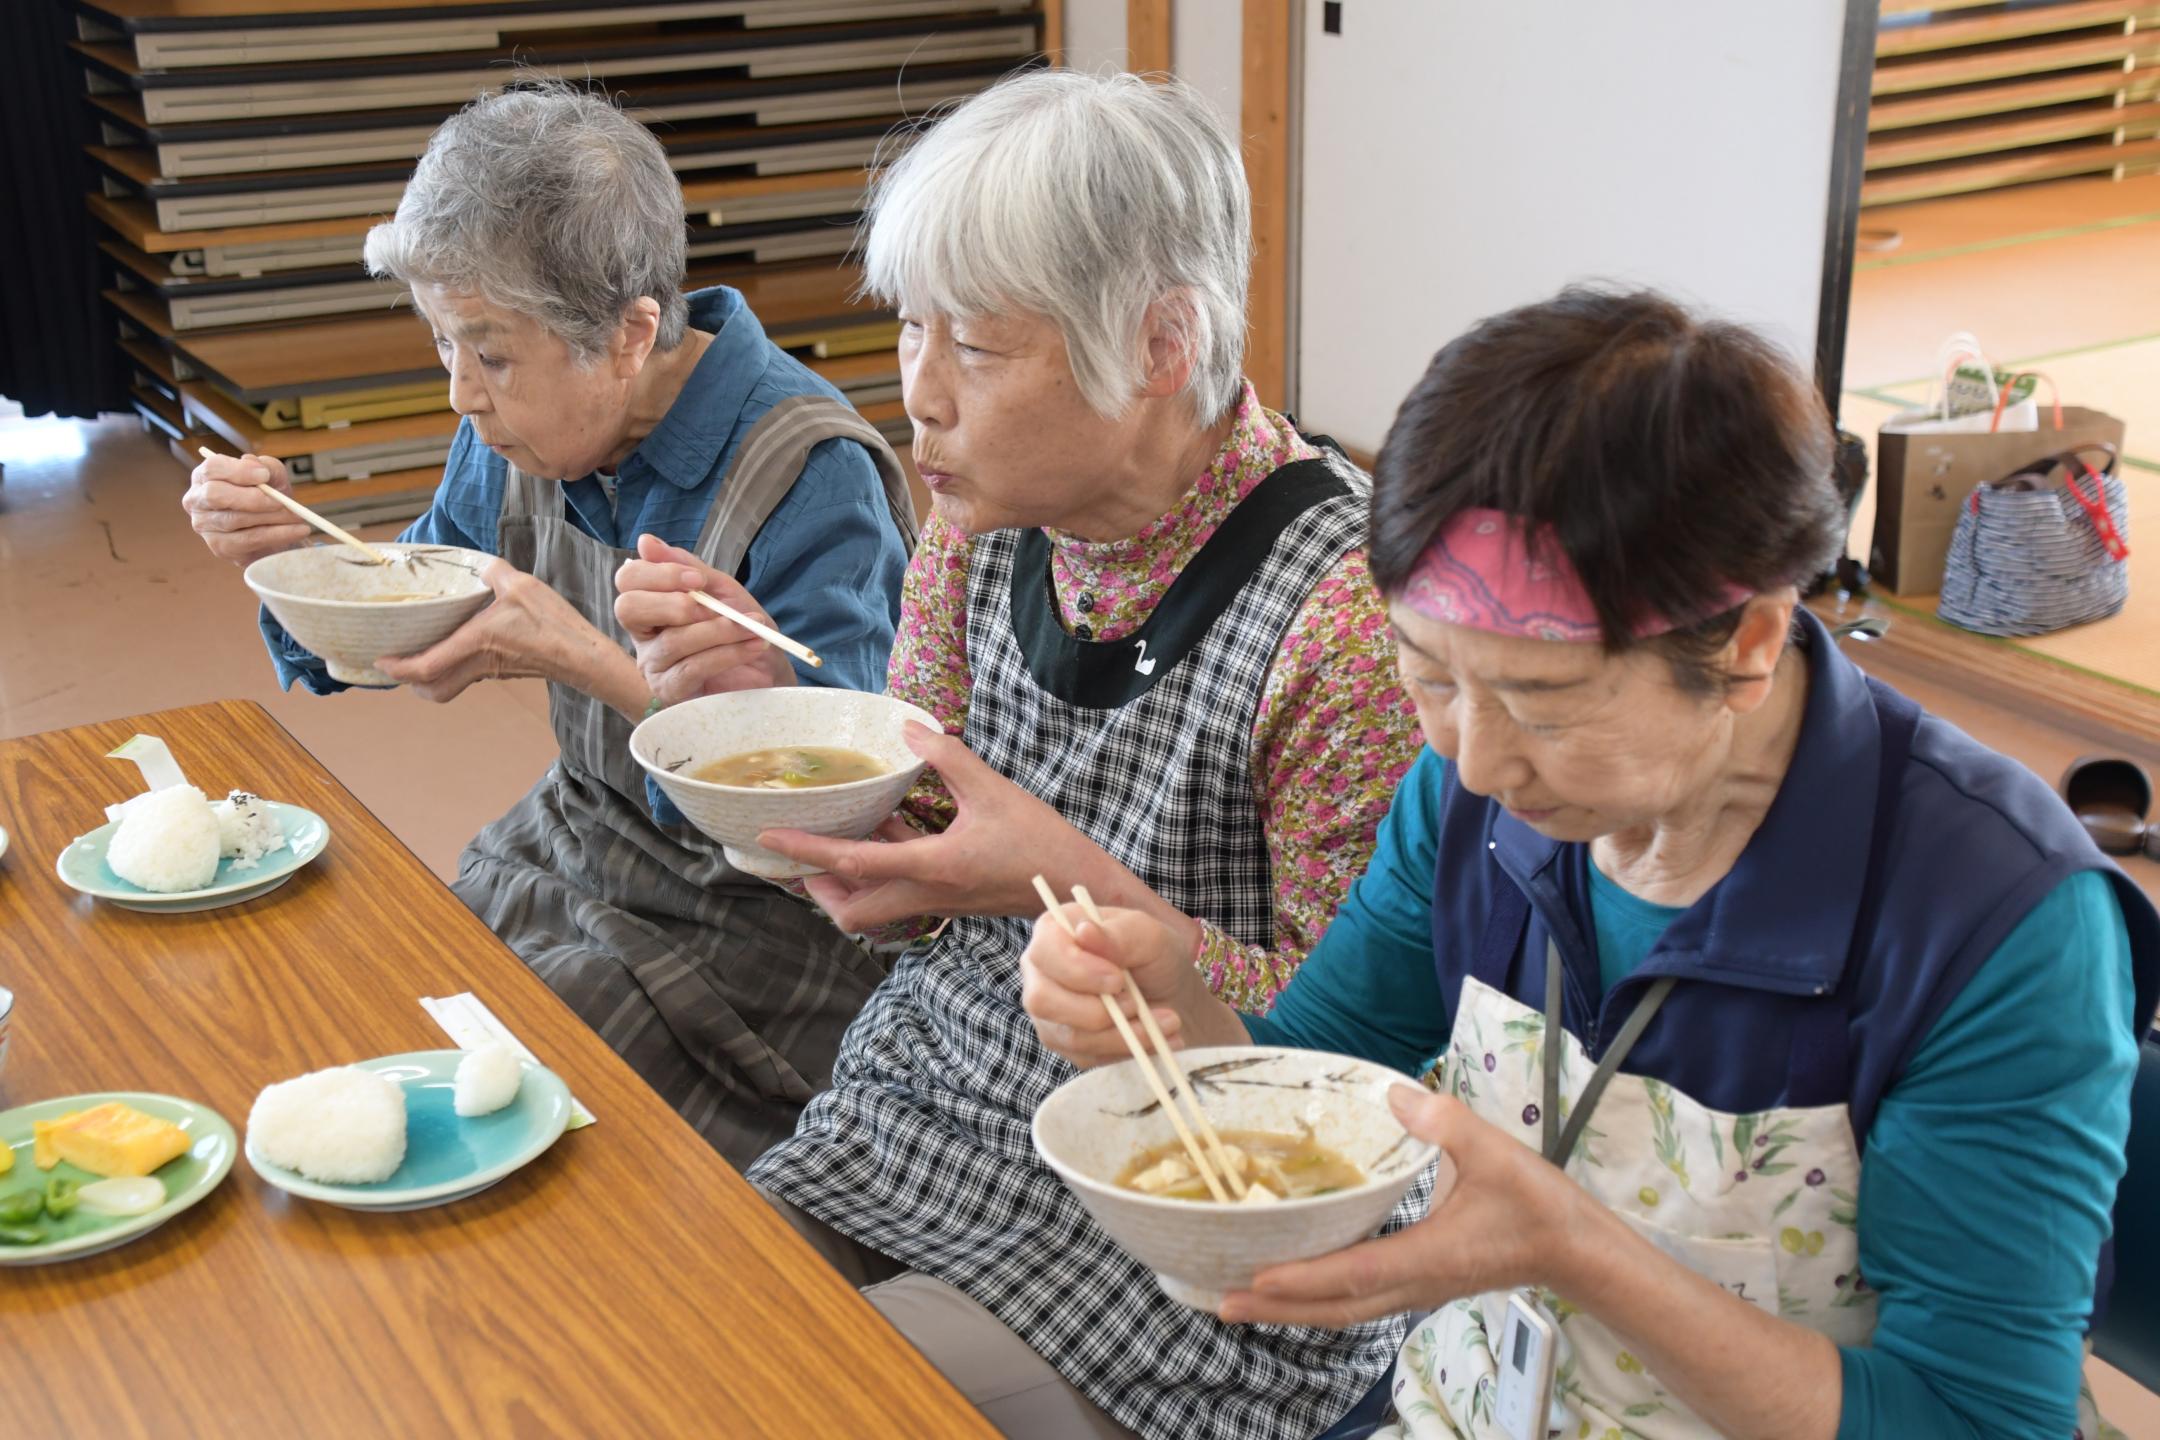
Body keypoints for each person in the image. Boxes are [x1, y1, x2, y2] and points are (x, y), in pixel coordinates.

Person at [1021, 287, 2160, 1440]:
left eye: (1545, 703)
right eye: (1427, 675)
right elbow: (1326, 1074)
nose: (1471, 762)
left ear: (1749, 645)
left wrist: (1574, 1249)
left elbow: (1977, 1420)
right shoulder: (1472, 794)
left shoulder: (1997, 920)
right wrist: (1182, 1014)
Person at [615, 70, 1425, 1439]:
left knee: (757, 1394)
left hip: (1189, 1229)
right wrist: (790, 736)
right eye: (913, 330)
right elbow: (911, 885)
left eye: (978, 350)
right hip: (928, 1117)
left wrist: (1063, 880)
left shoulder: (1345, 615)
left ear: (1162, 342)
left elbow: (1354, 1077)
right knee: (655, 1331)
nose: (916, 395)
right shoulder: (981, 516)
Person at [181, 79, 914, 1165]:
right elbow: (397, 617)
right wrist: (284, 560)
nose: (461, 396)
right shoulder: (515, 428)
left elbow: (833, 823)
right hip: (579, 837)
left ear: (630, 335)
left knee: (530, 1106)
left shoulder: (809, 471)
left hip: (760, 926)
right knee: (399, 999)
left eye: (490, 353)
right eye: (444, 345)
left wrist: (581, 656)